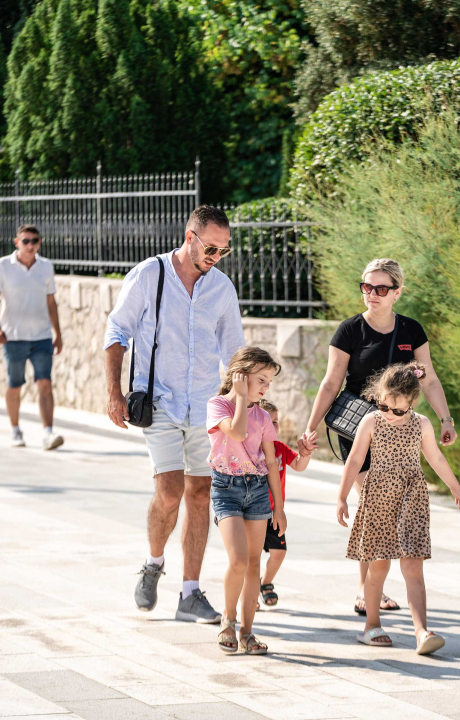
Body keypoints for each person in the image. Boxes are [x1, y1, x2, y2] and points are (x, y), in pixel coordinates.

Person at [104, 205, 244, 623]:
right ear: (190, 237)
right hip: (159, 403)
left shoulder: (221, 289)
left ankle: (190, 593)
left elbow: (234, 354)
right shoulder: (150, 275)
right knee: (169, 491)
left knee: (200, 494)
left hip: (205, 408)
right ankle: (153, 563)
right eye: (211, 248)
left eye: (224, 250)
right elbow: (117, 332)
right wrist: (115, 391)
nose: (216, 257)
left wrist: (246, 404)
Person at [302, 258, 458, 616]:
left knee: (383, 509)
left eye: (381, 288)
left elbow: (429, 379)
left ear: (397, 292)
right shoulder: (349, 331)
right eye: (366, 287)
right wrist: (310, 427)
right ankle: (366, 590)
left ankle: (371, 587)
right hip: (359, 428)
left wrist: (445, 418)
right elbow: (330, 382)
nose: (371, 294)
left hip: (399, 428)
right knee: (375, 505)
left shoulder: (411, 331)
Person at [337, 362, 460, 655]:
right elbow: (356, 459)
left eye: (399, 411)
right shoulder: (371, 421)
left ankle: (422, 632)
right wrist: (342, 496)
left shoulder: (421, 423)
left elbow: (435, 458)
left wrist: (455, 487)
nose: (391, 415)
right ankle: (371, 625)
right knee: (379, 563)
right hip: (378, 498)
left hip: (412, 497)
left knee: (413, 565)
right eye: (386, 407)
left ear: (412, 403)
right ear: (379, 397)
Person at [206, 347, 287, 654]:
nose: (266, 387)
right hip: (226, 488)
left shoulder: (263, 416)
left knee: (254, 564)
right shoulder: (217, 406)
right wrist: (240, 397)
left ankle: (247, 633)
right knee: (238, 560)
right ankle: (228, 621)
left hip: (257, 493)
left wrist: (278, 507)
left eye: (269, 381)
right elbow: (238, 433)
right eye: (261, 379)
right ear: (240, 376)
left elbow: (271, 462)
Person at [0, 224, 65, 451]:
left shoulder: (46, 267)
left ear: (40, 242)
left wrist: (57, 333)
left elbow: (51, 302)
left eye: (35, 241)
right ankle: (15, 429)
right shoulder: (3, 266)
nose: (30, 245)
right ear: (17, 243)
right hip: (13, 337)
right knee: (15, 385)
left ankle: (48, 433)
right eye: (26, 241)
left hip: (41, 337)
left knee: (45, 383)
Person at [256, 399, 311, 609]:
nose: (273, 427)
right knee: (251, 557)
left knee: (279, 552)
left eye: (276, 422)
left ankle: (266, 582)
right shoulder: (250, 449)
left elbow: (298, 464)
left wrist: (306, 453)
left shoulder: (279, 448)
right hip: (252, 512)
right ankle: (249, 593)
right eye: (267, 422)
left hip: (273, 513)